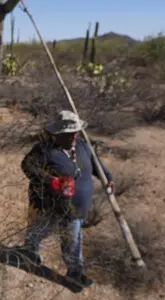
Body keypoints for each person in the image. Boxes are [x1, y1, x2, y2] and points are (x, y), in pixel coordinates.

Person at [16, 110, 115, 288]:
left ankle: (75, 273)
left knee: (72, 239)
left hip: (76, 207)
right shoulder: (44, 149)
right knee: (40, 229)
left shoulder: (83, 146)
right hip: (49, 204)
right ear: (58, 134)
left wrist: (107, 177)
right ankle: (29, 252)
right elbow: (28, 166)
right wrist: (51, 181)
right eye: (68, 134)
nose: (73, 137)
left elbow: (96, 164)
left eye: (75, 132)